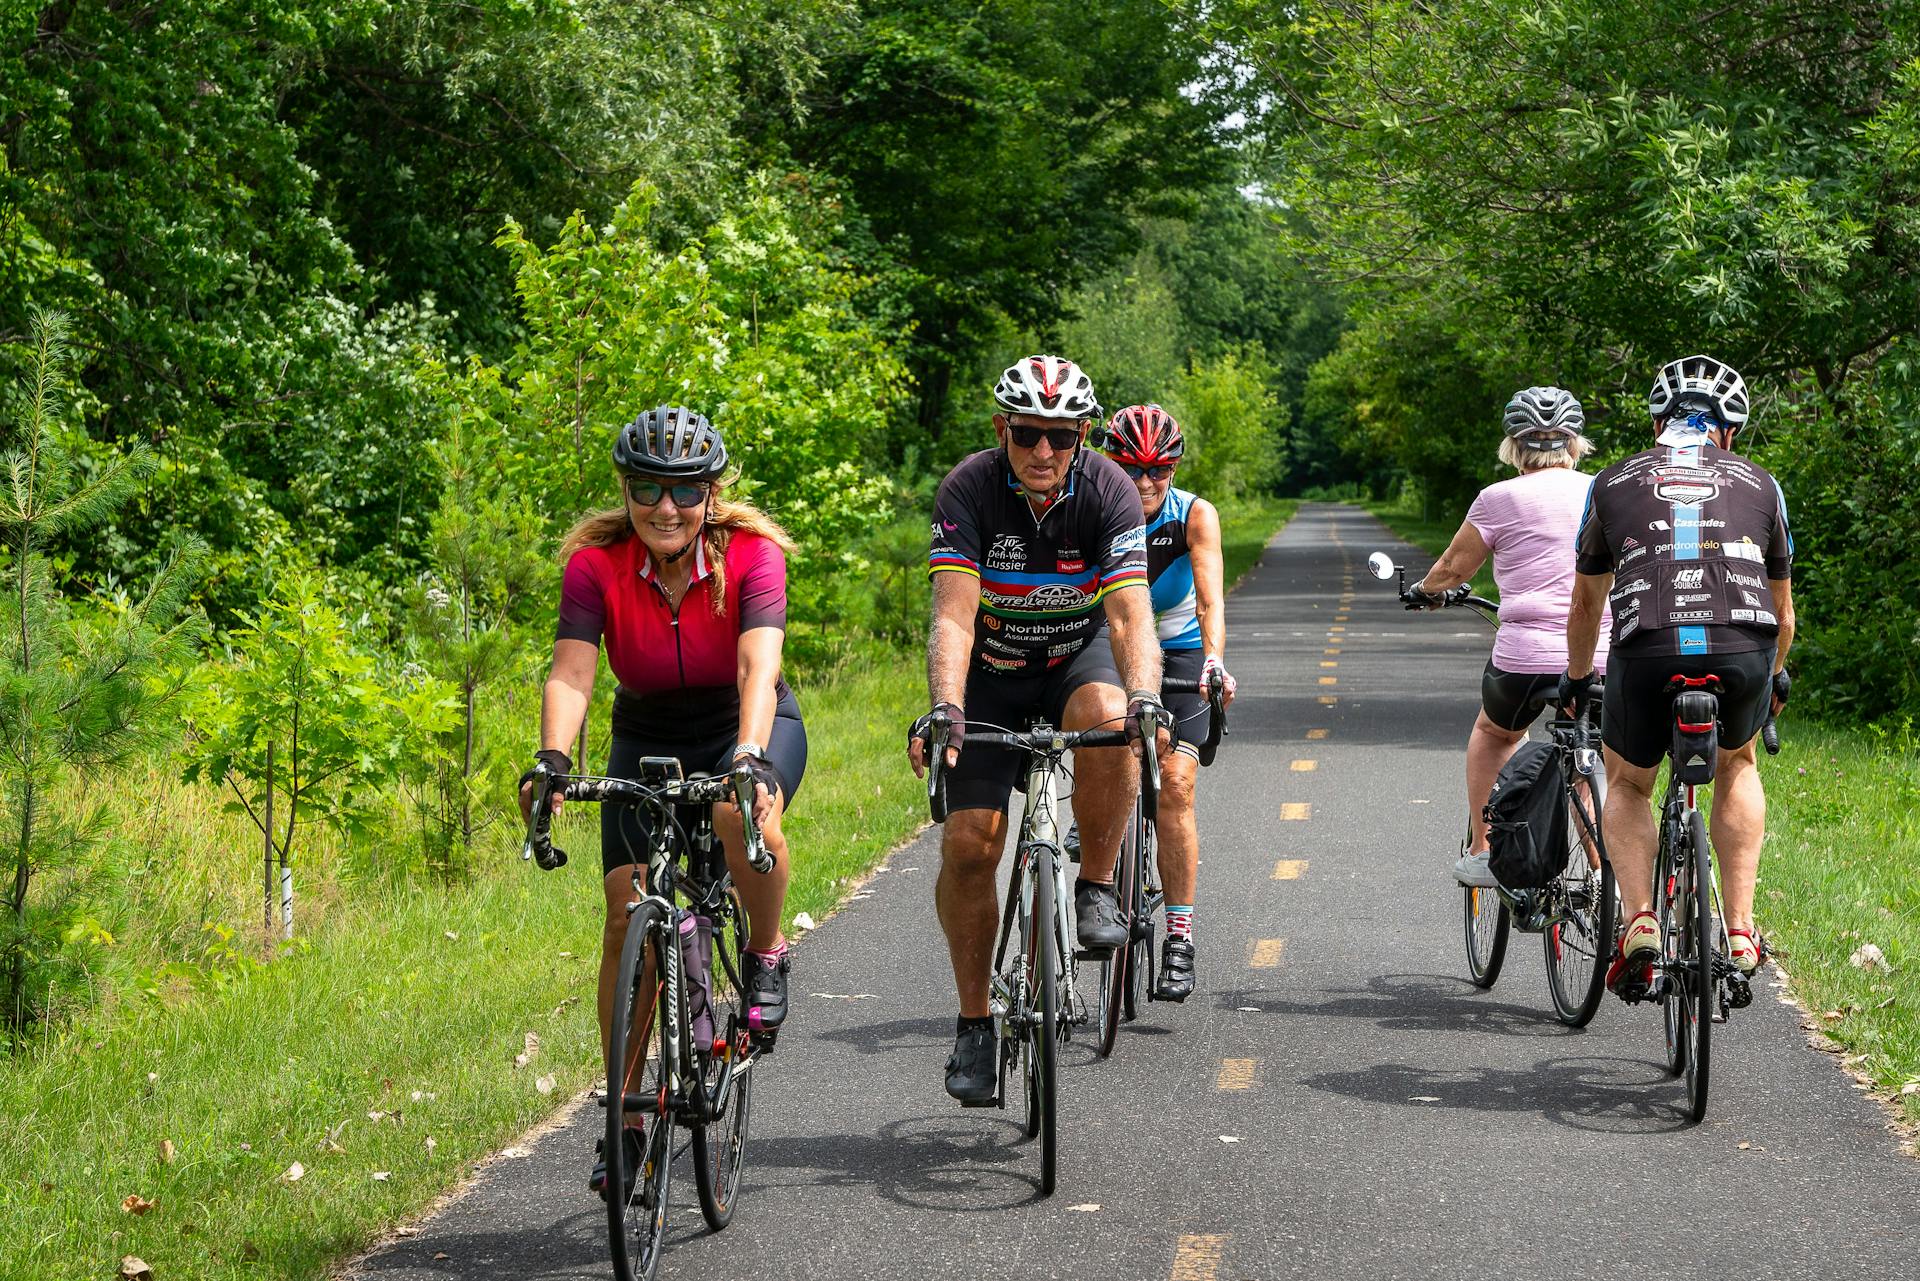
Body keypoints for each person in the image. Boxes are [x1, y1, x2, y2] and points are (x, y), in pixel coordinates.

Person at [518, 406, 806, 1195]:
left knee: (735, 812)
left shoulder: (752, 556)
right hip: (644, 733)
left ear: (711, 492)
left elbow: (759, 667)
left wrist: (748, 755)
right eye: (647, 486)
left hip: (743, 721)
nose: (665, 505)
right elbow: (573, 673)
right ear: (627, 488)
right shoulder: (596, 566)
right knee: (625, 914)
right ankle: (626, 1115)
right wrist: (550, 760)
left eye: (684, 487)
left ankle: (766, 948)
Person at [907, 354, 1169, 1104]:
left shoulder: (1110, 490)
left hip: (1071, 658)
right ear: (1003, 430)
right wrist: (948, 706)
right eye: (1028, 434)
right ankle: (973, 1025)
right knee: (968, 847)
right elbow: (953, 613)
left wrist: (1146, 695)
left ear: (1083, 434)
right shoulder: (970, 489)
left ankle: (1092, 887)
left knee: (1116, 719)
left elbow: (1128, 615)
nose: (1044, 452)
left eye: (1060, 436)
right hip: (989, 667)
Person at [1560, 355, 1794, 997]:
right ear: (1729, 432)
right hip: (1741, 644)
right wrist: (1772, 678)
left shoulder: (1608, 482)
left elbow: (1586, 602)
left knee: (1629, 784)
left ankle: (1638, 919)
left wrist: (1578, 680)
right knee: (1738, 765)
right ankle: (1741, 930)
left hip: (1648, 645)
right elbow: (1784, 613)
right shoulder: (1763, 483)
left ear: (1659, 422)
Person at [1404, 386, 1609, 887]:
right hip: (1600, 654)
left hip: (1524, 659)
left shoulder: (1498, 498)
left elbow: (1454, 568)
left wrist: (1425, 591)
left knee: (1494, 735)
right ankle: (1607, 876)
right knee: (1589, 751)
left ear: (1514, 446)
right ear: (1576, 444)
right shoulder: (1605, 491)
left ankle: (1483, 850)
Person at [1098, 403, 1236, 1001]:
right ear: (1112, 464)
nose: (1147, 482)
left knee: (1175, 786)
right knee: (1100, 746)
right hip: (1107, 647)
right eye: (1132, 469)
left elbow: (1209, 600)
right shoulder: (1095, 507)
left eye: (1161, 469)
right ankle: (1097, 835)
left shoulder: (1193, 516)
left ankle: (1179, 933)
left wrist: (1213, 659)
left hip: (1178, 650)